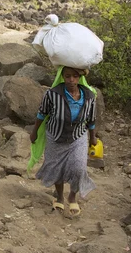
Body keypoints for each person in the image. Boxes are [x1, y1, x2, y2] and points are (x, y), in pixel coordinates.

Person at [29, 66, 97, 216]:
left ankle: (72, 196)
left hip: (77, 136)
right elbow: (41, 114)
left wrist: (92, 137)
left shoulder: (89, 96)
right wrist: (34, 132)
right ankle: (59, 196)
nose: (71, 80)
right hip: (55, 135)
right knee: (56, 167)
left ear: (80, 78)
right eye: (67, 76)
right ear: (62, 77)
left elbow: (91, 120)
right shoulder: (52, 94)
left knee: (79, 167)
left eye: (74, 76)